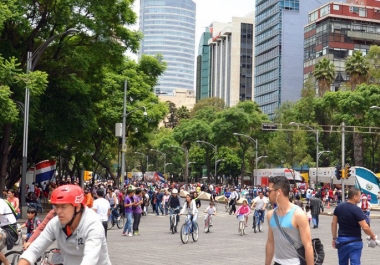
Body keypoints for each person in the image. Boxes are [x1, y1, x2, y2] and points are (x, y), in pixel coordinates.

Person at [18, 184, 111, 265]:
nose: (58, 211)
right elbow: (34, 250)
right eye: (56, 206)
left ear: (77, 207)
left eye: (63, 207)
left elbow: (90, 260)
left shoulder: (93, 225)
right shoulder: (55, 223)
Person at [265, 176, 313, 265]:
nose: (267, 193)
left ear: (278, 192)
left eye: (269, 191)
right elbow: (270, 242)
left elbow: (308, 245)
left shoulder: (298, 214)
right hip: (277, 262)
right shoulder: (270, 215)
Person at [332, 187, 379, 265]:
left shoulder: (339, 207)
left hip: (341, 240)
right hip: (354, 241)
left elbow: (333, 223)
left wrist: (334, 238)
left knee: (342, 263)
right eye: (359, 196)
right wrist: (373, 236)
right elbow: (365, 227)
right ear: (354, 197)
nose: (360, 198)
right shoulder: (357, 210)